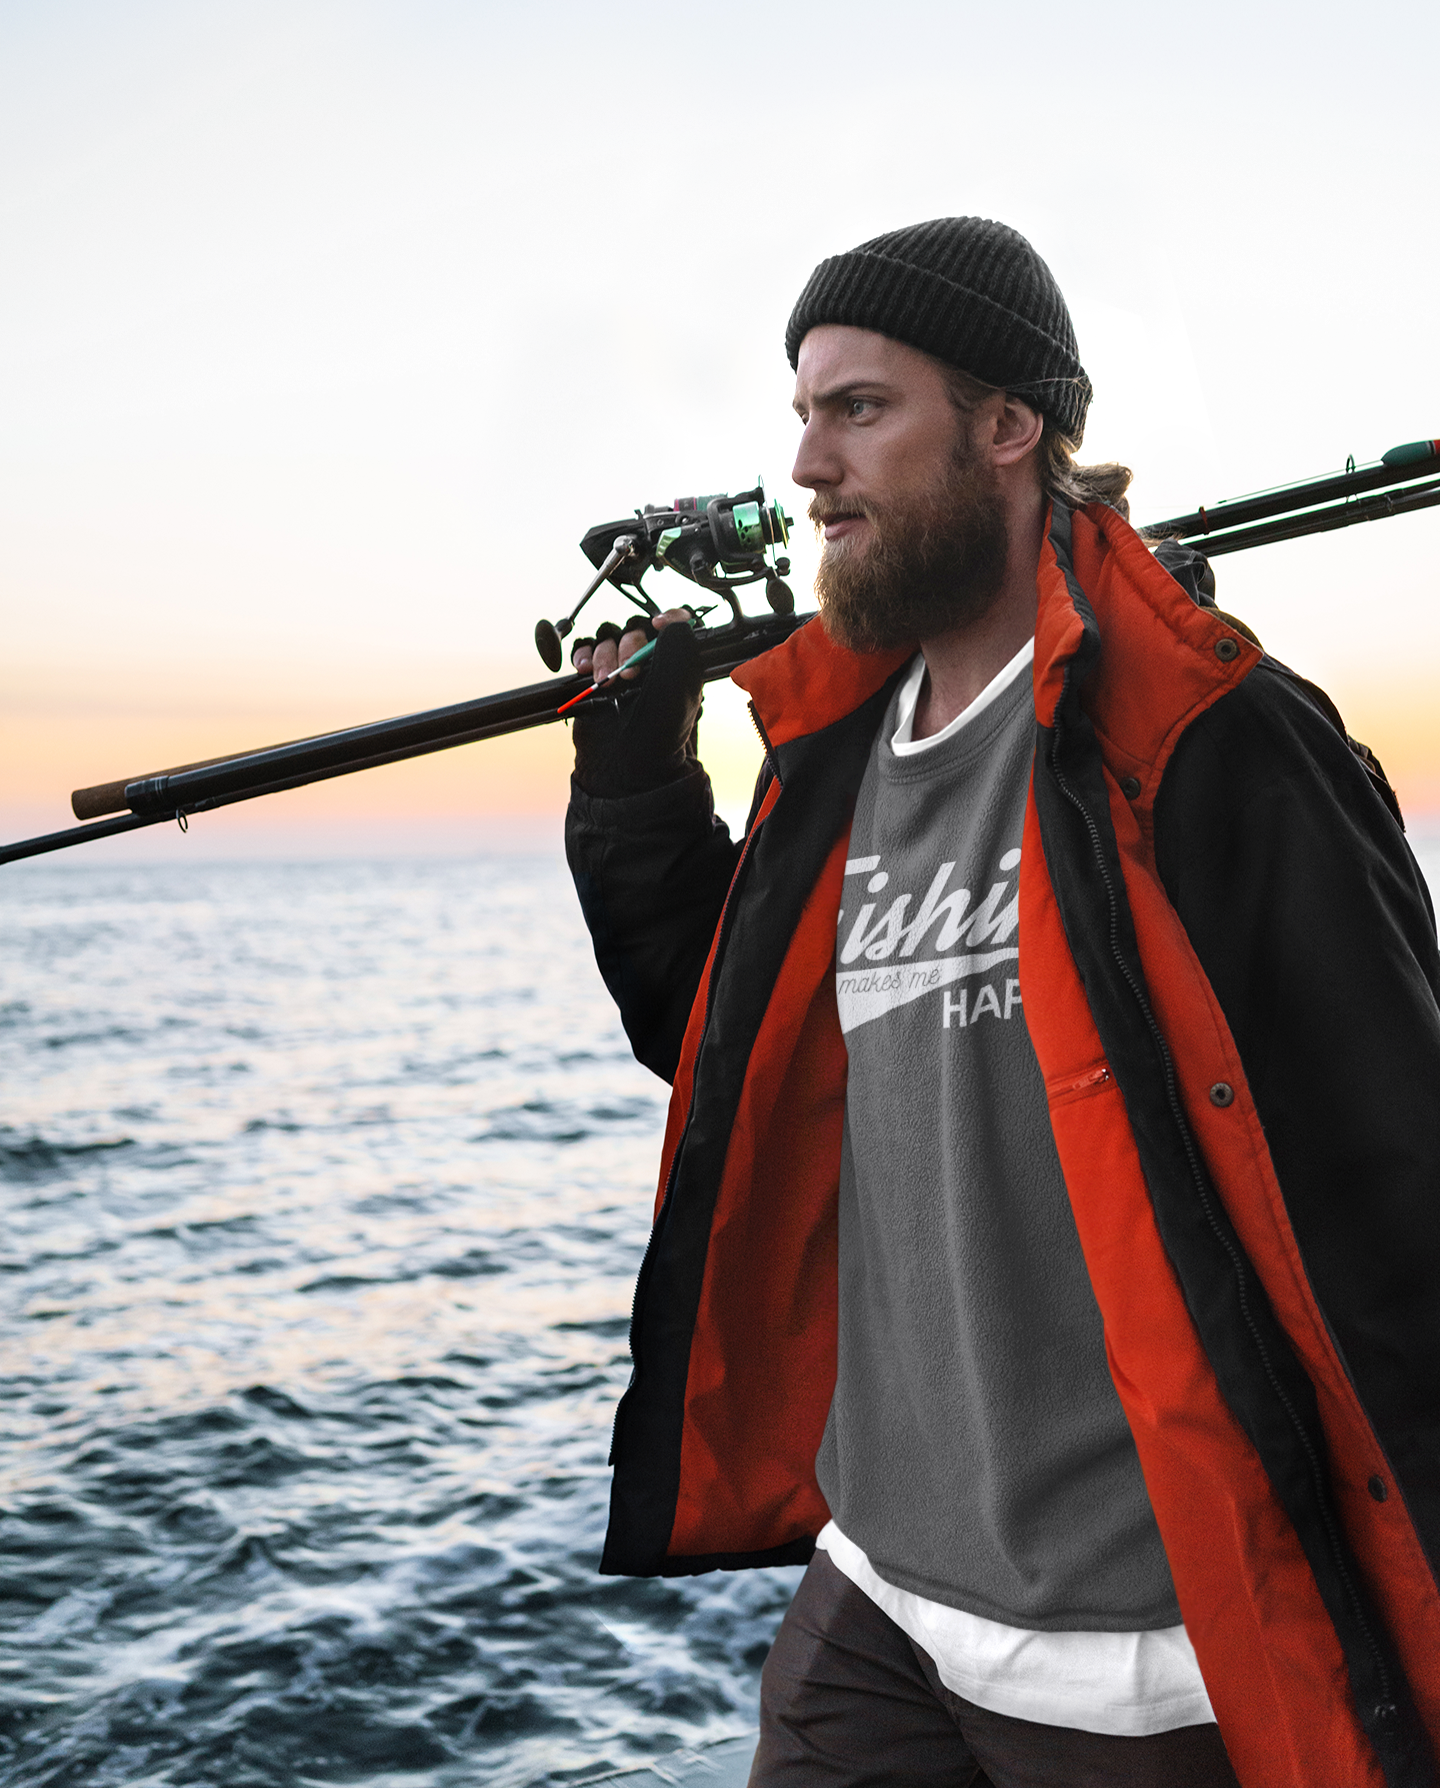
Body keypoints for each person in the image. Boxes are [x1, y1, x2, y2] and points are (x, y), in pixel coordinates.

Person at [563, 217, 1440, 1787]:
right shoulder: (831, 759)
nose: (809, 463)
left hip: (1145, 1661)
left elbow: (1403, 1183)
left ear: (1009, 426)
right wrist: (632, 794)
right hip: (876, 1601)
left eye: (859, 408)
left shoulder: (1218, 744)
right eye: (802, 411)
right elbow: (721, 1053)